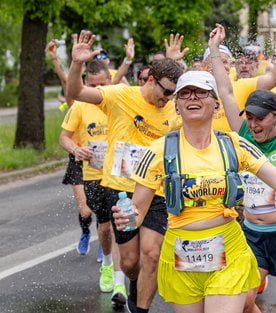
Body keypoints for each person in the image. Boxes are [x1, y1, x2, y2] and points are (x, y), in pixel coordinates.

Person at [113, 24, 276, 313]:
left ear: (215, 105)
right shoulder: (159, 152)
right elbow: (137, 210)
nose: (192, 99)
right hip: (183, 255)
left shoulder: (234, 145)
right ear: (176, 106)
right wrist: (128, 218)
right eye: (185, 94)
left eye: (200, 93)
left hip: (233, 248)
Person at [66, 29, 184, 313]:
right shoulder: (120, 95)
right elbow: (75, 93)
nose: (169, 98)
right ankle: (134, 285)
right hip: (120, 189)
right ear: (151, 80)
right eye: (166, 91)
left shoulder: (173, 108)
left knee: (152, 254)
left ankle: (141, 308)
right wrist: (76, 64)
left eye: (173, 93)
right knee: (131, 263)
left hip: (156, 191)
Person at [210, 24, 276, 313]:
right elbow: (225, 91)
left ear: (275, 118)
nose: (253, 125)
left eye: (260, 119)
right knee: (243, 301)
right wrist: (216, 52)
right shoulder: (242, 134)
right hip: (253, 234)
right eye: (250, 118)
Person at [59, 60, 127, 306]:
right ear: (86, 82)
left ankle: (120, 281)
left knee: (121, 226)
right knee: (106, 227)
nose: (98, 89)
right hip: (93, 175)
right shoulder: (79, 106)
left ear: (110, 80)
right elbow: (64, 137)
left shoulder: (120, 99)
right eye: (93, 84)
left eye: (103, 83)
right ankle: (107, 265)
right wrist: (77, 149)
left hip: (119, 175)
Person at [45, 39, 97, 258]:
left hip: (102, 162)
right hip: (78, 160)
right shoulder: (76, 102)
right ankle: (85, 231)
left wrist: (128, 60)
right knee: (85, 210)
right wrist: (55, 58)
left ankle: (106, 249)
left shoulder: (110, 102)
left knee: (105, 213)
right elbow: (65, 78)